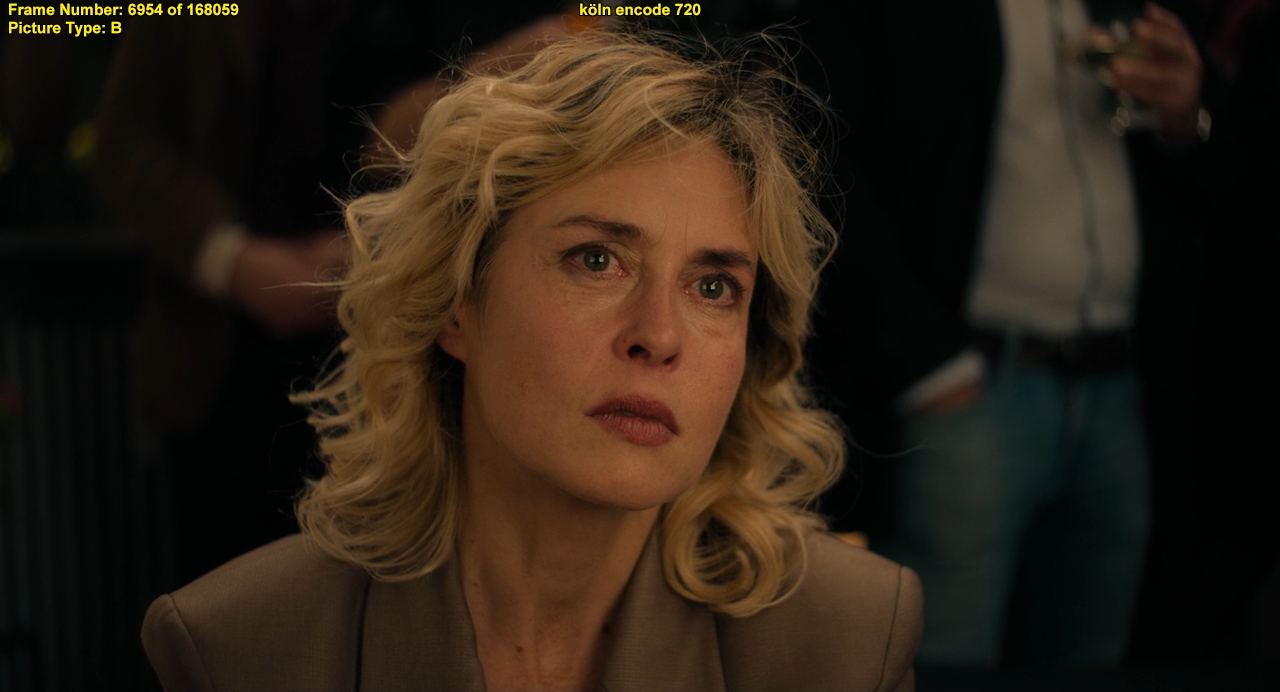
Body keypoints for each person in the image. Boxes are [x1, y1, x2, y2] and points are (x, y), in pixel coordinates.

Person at [138, 30, 923, 692]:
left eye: (713, 286)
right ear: (455, 304)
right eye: (596, 260)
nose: (659, 335)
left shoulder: (848, 640)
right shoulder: (236, 648)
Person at [803, 0, 1206, 666]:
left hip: (1121, 388)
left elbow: (1212, 187)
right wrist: (927, 362)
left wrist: (1186, 119)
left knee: (1091, 656)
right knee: (933, 659)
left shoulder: (1128, 9)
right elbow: (822, 155)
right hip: (976, 389)